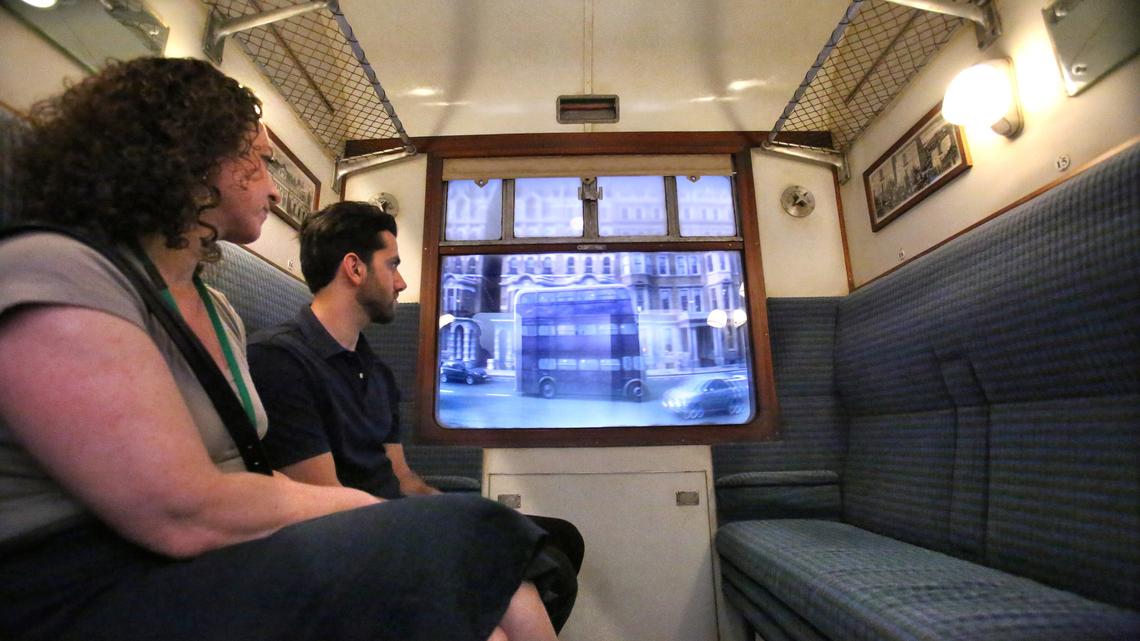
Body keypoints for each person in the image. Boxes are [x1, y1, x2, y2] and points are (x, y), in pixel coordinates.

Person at [0, 57, 557, 641]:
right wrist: (377, 515)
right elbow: (181, 511)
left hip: (200, 560)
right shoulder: (55, 269)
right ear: (190, 158)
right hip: (81, 584)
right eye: (259, 159)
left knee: (483, 565)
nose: (271, 184)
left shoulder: (220, 313)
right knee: (471, 532)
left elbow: (250, 478)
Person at [247, 201, 583, 631]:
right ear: (354, 268)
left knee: (560, 540)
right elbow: (324, 501)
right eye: (393, 265)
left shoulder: (377, 370)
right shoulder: (281, 360)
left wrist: (452, 507)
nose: (402, 281)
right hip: (345, 540)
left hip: (392, 518)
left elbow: (401, 477)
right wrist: (444, 526)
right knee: (512, 562)